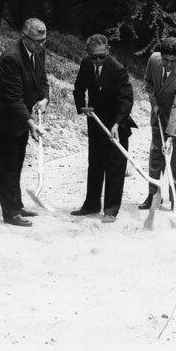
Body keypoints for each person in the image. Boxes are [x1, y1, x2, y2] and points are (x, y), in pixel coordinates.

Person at [0, 18, 49, 227]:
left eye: (43, 41)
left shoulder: (40, 52)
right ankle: (10, 213)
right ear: (24, 36)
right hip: (1, 118)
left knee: (17, 162)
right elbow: (13, 98)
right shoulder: (10, 58)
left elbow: (42, 80)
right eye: (36, 41)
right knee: (7, 165)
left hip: (19, 118)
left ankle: (17, 204)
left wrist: (45, 99)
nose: (40, 45)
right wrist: (30, 122)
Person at [71, 35, 136, 223]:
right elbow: (79, 87)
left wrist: (116, 124)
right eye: (94, 57)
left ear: (108, 50)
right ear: (87, 53)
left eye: (102, 56)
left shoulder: (118, 69)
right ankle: (91, 205)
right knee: (95, 163)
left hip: (117, 123)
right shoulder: (86, 64)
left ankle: (111, 210)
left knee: (115, 166)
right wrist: (82, 106)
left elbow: (126, 99)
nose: (98, 60)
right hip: (96, 121)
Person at [138, 37, 176, 213]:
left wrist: (170, 137)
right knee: (156, 154)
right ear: (161, 56)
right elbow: (148, 83)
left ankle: (175, 201)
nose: (168, 64)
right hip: (160, 112)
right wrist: (154, 102)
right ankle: (153, 195)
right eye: (166, 60)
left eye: (173, 61)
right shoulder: (154, 60)